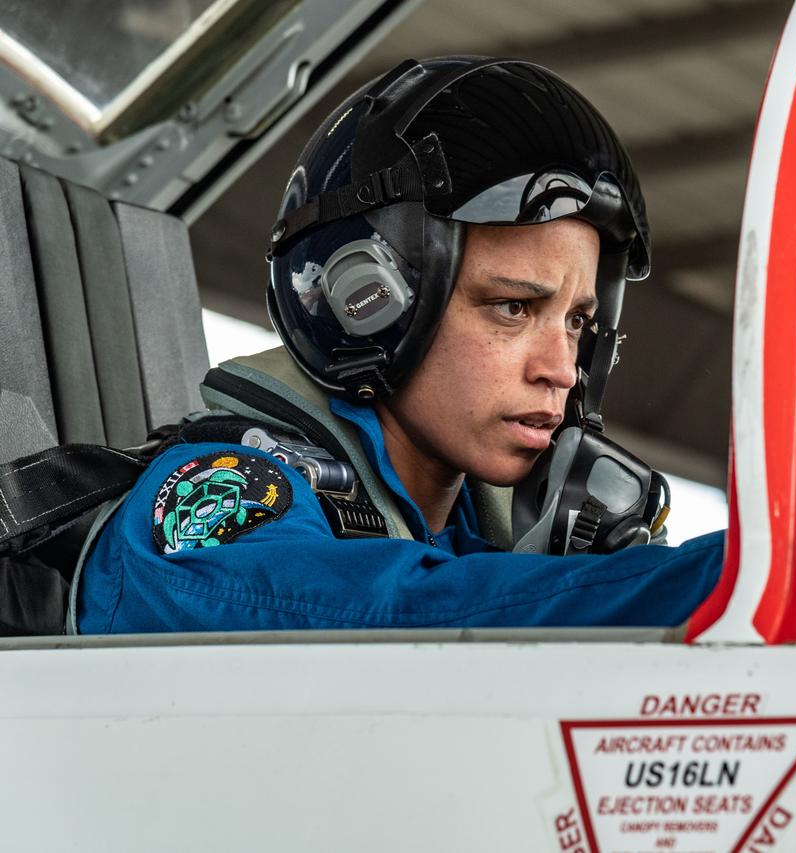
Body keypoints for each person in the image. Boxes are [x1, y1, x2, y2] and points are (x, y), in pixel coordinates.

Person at [71, 57, 723, 633]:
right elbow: (375, 619)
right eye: (513, 307)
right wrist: (739, 576)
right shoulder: (213, 499)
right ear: (368, 304)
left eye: (577, 323)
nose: (561, 369)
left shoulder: (484, 538)